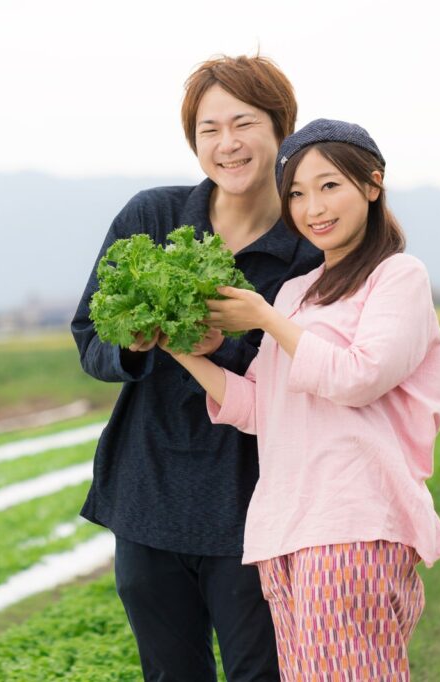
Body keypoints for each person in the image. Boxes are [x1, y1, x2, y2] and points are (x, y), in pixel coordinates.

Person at [163, 119, 440, 681]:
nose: (311, 207)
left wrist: (265, 319)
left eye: (329, 186)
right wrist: (181, 350)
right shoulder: (297, 291)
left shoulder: (397, 277)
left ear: (372, 185)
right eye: (296, 193)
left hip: (352, 522)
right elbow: (260, 410)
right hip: (286, 528)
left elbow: (358, 377)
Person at [71, 55, 322, 681]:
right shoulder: (152, 219)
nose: (227, 144)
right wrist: (136, 342)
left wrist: (228, 343)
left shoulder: (309, 247)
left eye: (243, 123)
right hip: (148, 493)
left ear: (281, 130)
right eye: (209, 130)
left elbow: (310, 379)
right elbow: (90, 337)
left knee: (261, 674)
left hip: (256, 505)